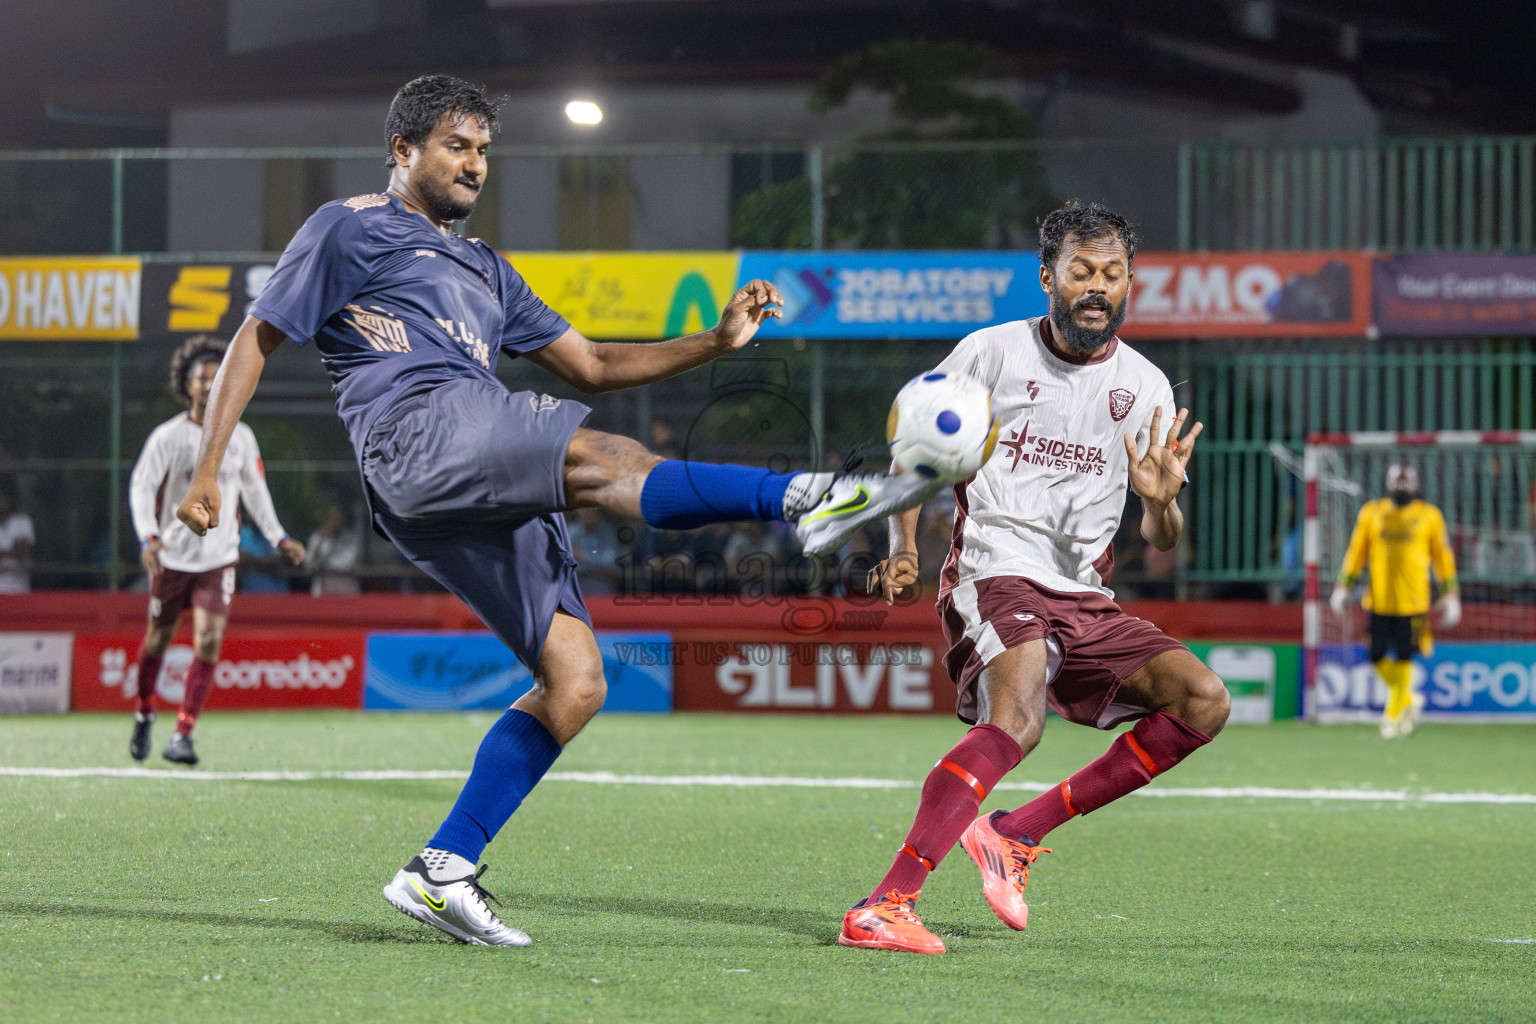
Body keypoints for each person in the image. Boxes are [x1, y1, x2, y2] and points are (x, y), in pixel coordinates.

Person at [175, 74, 933, 947]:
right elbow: (255, 335)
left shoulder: (488, 268)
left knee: (576, 680)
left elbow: (596, 364)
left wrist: (715, 343)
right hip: (415, 432)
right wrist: (206, 474)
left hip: (466, 468)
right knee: (607, 458)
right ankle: (809, 500)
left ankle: (442, 868)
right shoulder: (351, 226)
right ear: (402, 151)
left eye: (484, 150)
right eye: (457, 145)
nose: (475, 164)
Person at [842, 201, 1230, 955]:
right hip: (996, 571)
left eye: (1113, 275)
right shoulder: (989, 353)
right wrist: (903, 546)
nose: (1098, 288)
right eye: (1081, 272)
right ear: (1048, 276)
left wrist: (1163, 504)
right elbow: (915, 454)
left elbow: (1161, 539)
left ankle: (1014, 833)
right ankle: (885, 905)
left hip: (1085, 593)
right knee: (1017, 720)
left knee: (1202, 702)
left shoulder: (1147, 386)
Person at [127, 335, 306, 766]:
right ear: (187, 386)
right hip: (171, 556)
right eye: (201, 378)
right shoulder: (167, 437)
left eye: (216, 377)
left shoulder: (241, 437)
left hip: (219, 556)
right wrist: (148, 537)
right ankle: (145, 711)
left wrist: (279, 537)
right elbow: (141, 487)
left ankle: (183, 733)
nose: (209, 384)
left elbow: (256, 492)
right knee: (158, 639)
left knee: (208, 641)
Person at [1330, 463, 1459, 738]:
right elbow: (1356, 552)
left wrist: (1451, 594)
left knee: (1404, 658)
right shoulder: (1372, 513)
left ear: (1416, 484)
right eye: (1396, 480)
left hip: (1413, 605)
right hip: (1378, 601)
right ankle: (1409, 701)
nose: (1402, 486)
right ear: (1387, 482)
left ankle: (1392, 716)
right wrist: (1343, 586)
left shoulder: (1429, 516)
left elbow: (1443, 558)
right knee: (1376, 656)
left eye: (1406, 481)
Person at [306, 491, 366, 596]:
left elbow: (348, 562)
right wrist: (323, 539)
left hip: (346, 594)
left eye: (337, 516)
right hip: (322, 594)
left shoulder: (351, 538)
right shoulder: (318, 537)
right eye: (331, 517)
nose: (334, 520)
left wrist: (335, 540)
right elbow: (310, 565)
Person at [0, 478, 35, 593]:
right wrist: (12, 551)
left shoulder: (22, 522)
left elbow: (23, 552)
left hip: (19, 589)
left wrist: (3, 554)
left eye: (3, 498)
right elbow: (17, 551)